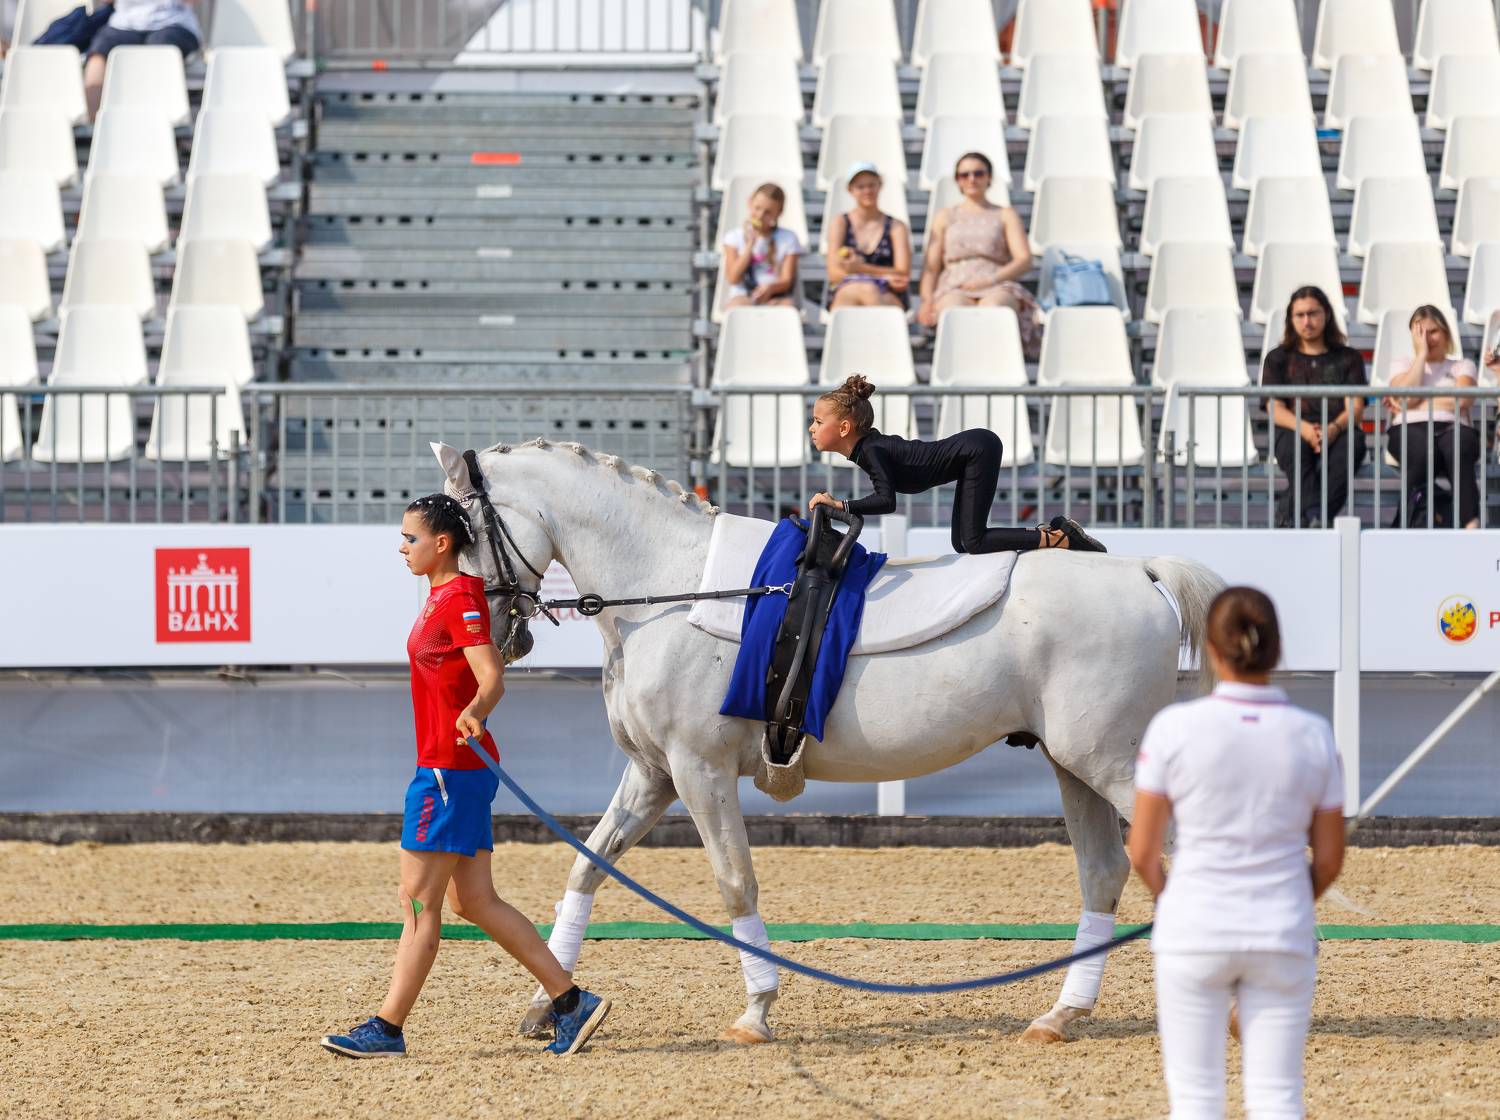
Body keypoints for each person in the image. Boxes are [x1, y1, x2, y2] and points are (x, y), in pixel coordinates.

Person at [321, 494, 611, 1059]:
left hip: (448, 770)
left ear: (442, 543)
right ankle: (571, 1002)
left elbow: (491, 674)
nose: (402, 547)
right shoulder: (445, 595)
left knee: (417, 903)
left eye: (410, 538)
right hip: (454, 769)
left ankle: (388, 1028)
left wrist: (475, 710)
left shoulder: (457, 599)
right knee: (473, 902)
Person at [1129, 586, 1346, 1120]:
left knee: (1196, 1101)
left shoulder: (1173, 729)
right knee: (1278, 1098)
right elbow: (1328, 860)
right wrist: (1290, 900)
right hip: (1281, 931)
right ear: (1276, 648)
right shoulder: (1314, 735)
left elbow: (1143, 852)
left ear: (1211, 649)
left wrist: (1172, 900)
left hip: (1194, 928)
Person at [806, 374, 1107, 554]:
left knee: (974, 541)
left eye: (818, 421)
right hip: (973, 452)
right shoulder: (868, 448)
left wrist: (840, 505)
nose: (812, 428)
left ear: (844, 428)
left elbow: (887, 501)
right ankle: (1051, 532)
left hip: (978, 449)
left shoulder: (871, 450)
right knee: (961, 543)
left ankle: (1057, 538)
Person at [1261, 286, 1368, 528]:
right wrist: (1306, 429)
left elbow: (1356, 407)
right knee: (1294, 448)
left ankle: (1299, 514)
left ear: (1326, 314)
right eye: (1299, 315)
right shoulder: (1278, 358)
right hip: (1293, 427)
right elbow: (1274, 408)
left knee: (1353, 444)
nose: (1306, 321)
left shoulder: (1349, 357)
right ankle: (1316, 517)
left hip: (1338, 428)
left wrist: (1334, 429)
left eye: (1312, 313)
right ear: (1291, 319)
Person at [917, 151, 1041, 356]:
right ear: (958, 180)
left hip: (996, 282)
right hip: (954, 284)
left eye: (978, 173)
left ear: (989, 177)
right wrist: (926, 300)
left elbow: (1024, 259)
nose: (972, 179)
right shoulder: (945, 216)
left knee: (994, 309)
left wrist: (990, 279)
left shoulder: (1005, 214)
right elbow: (931, 266)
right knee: (953, 312)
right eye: (964, 175)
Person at [1385, 305, 1493, 529]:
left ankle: (1470, 523)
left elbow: (1462, 400)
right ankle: (1408, 522)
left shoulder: (1462, 365)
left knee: (1458, 447)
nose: (1427, 339)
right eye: (1420, 333)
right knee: (1423, 450)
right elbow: (1406, 398)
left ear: (1445, 333)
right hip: (1409, 429)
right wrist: (1421, 357)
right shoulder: (1402, 365)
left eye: (1433, 331)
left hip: (1453, 428)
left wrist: (1416, 403)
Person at [83, 1, 202, 121]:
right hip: (123, 24)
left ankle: (161, 124)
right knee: (97, 56)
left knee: (158, 53)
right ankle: (96, 126)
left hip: (174, 23)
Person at [825, 161, 912, 311]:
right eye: (860, 187)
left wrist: (859, 268)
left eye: (871, 185)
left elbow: (902, 274)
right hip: (854, 291)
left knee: (865, 292)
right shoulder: (840, 223)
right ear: (850, 190)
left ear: (880, 186)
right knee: (863, 291)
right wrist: (882, 275)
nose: (867, 191)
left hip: (886, 293)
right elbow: (834, 273)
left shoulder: (897, 226)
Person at [721, 181, 801, 311]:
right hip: (743, 296)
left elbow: (786, 280)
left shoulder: (789, 238)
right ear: (750, 202)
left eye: (768, 212)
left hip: (775, 296)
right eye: (757, 208)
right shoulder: (733, 237)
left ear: (778, 213)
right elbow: (733, 278)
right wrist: (750, 245)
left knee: (787, 307)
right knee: (737, 308)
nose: (760, 216)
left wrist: (770, 289)